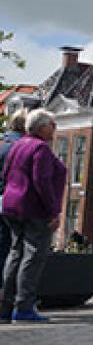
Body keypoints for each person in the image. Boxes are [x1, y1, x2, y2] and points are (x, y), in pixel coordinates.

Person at [0, 109, 67, 323]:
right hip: (33, 209)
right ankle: (24, 307)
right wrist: (53, 211)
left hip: (11, 205)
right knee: (33, 257)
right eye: (52, 124)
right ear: (42, 127)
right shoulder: (40, 148)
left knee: (15, 254)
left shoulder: (17, 145)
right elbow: (42, 181)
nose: (55, 129)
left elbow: (5, 174)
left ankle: (5, 307)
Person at [0, 109, 28, 297]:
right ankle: (9, 294)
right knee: (15, 249)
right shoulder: (22, 147)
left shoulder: (2, 143)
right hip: (13, 202)